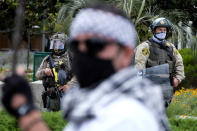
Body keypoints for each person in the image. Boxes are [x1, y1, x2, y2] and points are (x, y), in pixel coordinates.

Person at [1, 4, 170, 131]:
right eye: (76, 45)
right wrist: (26, 110)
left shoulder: (128, 116)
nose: (83, 52)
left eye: (94, 44)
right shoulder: (94, 104)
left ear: (125, 54)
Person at [134, 17, 185, 107]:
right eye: (160, 29)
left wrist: (178, 78)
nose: (163, 32)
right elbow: (139, 66)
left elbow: (179, 62)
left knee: (162, 112)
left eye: (164, 30)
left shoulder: (171, 47)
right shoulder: (145, 46)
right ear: (154, 31)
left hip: (167, 87)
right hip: (150, 86)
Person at [36, 32, 77, 111]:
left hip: (69, 94)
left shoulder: (71, 58)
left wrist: (69, 85)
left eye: (59, 44)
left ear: (65, 44)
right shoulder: (47, 59)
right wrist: (45, 71)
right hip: (52, 97)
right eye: (54, 44)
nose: (56, 47)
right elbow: (37, 75)